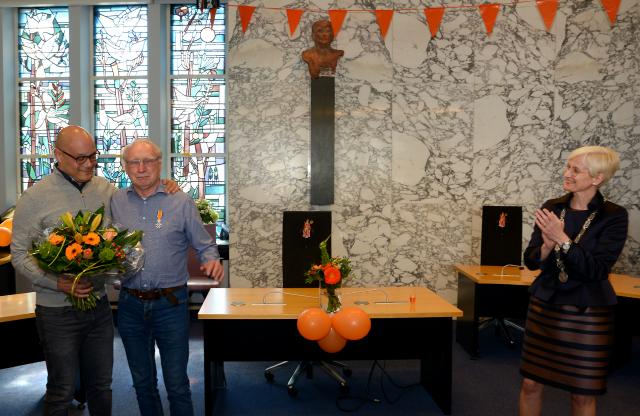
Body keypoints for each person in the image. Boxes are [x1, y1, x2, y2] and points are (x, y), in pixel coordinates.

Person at [11, 125, 179, 415]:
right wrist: (57, 283)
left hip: (98, 307)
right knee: (61, 389)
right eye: (80, 158)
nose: (88, 163)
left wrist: (165, 186)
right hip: (56, 311)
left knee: (102, 385)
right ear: (57, 154)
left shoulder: (106, 190)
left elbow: (139, 198)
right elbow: (19, 254)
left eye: (92, 156)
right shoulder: (35, 196)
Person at [111, 139, 224, 416]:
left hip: (170, 305)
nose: (141, 168)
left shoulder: (180, 201)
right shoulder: (116, 201)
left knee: (177, 383)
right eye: (134, 162)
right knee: (142, 383)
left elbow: (204, 243)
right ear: (125, 167)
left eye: (147, 161)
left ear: (159, 163)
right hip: (129, 305)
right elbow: (106, 243)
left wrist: (211, 260)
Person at [519, 146, 629, 416]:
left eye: (575, 170)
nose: (566, 173)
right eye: (568, 166)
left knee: (582, 394)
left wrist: (563, 240)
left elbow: (597, 270)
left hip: (588, 311)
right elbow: (531, 260)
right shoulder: (553, 207)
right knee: (531, 384)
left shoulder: (614, 216)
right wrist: (545, 247)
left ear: (597, 178)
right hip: (546, 304)